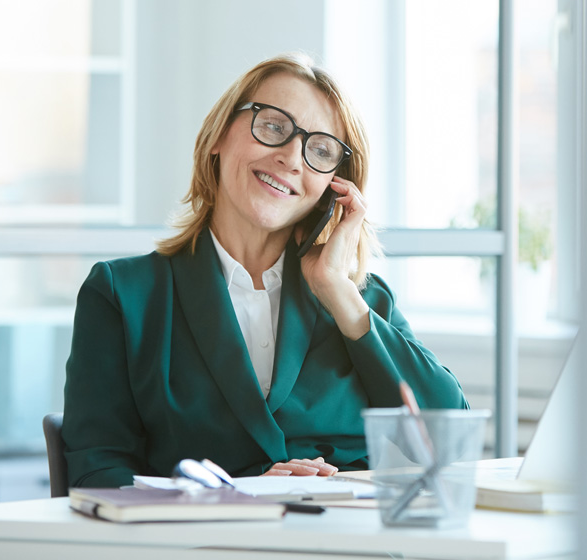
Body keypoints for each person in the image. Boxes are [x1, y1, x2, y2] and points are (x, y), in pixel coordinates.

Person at [62, 53, 469, 488]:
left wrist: (338, 292)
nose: (292, 159)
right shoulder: (123, 295)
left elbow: (449, 439)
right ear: (219, 134)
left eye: (320, 150)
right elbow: (96, 474)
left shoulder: (360, 301)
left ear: (333, 188)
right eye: (274, 127)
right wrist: (243, 491)